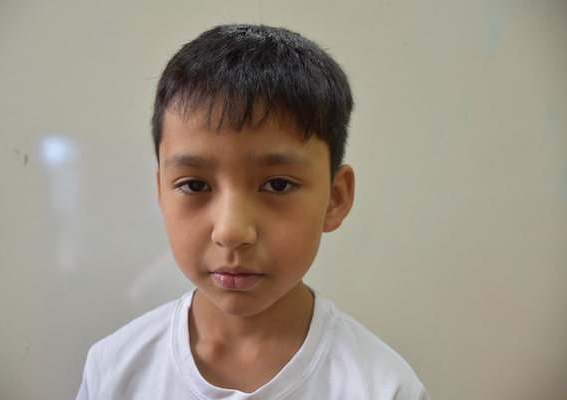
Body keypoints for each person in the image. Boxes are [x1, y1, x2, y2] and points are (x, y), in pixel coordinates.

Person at [76, 24, 431, 400]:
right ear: (161, 192)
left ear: (335, 198)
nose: (230, 232)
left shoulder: (382, 387)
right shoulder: (114, 371)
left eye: (277, 185)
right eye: (194, 185)